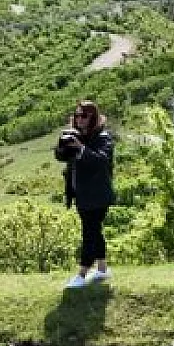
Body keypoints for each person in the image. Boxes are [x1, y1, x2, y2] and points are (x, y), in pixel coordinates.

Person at [55, 100, 115, 289]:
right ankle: (102, 269)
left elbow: (101, 161)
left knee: (89, 233)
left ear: (93, 117)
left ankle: (81, 274)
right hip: (81, 194)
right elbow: (60, 157)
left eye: (83, 115)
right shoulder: (77, 135)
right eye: (77, 115)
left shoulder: (103, 137)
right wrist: (63, 145)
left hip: (97, 194)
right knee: (94, 232)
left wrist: (81, 148)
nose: (79, 119)